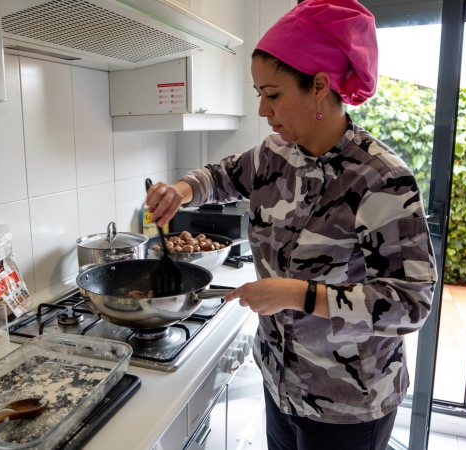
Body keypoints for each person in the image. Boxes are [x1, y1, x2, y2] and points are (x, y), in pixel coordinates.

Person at [145, 0, 437, 449]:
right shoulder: (274, 154)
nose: (263, 110)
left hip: (348, 402)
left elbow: (410, 302)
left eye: (273, 94)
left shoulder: (381, 178)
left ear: (319, 86)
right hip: (281, 381)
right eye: (259, 94)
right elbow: (222, 175)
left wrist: (294, 293)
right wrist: (182, 190)